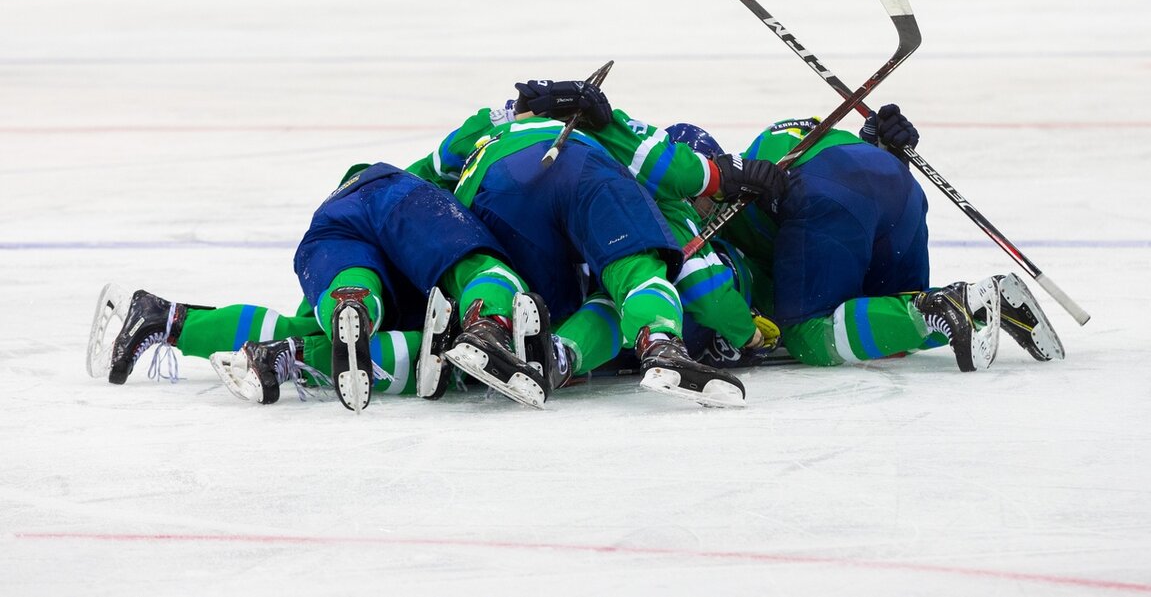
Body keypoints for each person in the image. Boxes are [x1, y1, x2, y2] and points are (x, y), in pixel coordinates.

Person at [408, 79, 789, 407]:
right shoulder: (664, 191)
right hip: (583, 171)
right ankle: (653, 343)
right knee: (631, 276)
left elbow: (425, 174)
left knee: (504, 277)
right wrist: (750, 334)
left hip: (491, 189)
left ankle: (485, 327)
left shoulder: (494, 120)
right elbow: (707, 291)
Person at [87, 162, 555, 411]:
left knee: (330, 311)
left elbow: (430, 165)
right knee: (478, 281)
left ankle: (167, 318)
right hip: (401, 200)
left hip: (341, 212)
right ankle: (485, 328)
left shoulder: (490, 136)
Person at [670, 106, 1064, 372]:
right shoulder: (766, 149)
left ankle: (947, 305)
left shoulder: (730, 195)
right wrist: (884, 146)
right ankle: (985, 299)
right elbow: (846, 160)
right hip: (898, 187)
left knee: (808, 336)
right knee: (887, 322)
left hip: (832, 200)